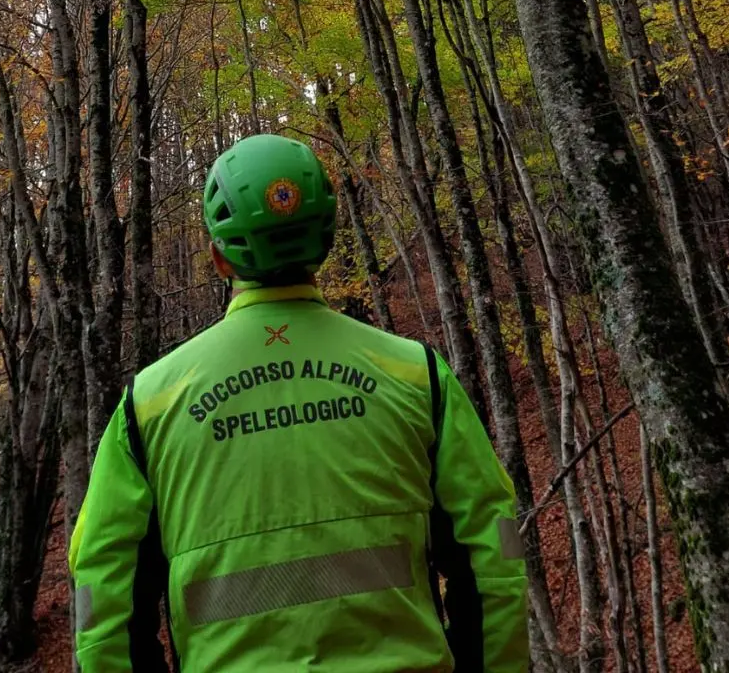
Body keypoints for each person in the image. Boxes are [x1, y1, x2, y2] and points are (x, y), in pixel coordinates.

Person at [69, 134, 529, 672]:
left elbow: (101, 591)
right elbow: (495, 549)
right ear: (327, 241)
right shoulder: (414, 374)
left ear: (219, 257)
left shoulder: (151, 403)